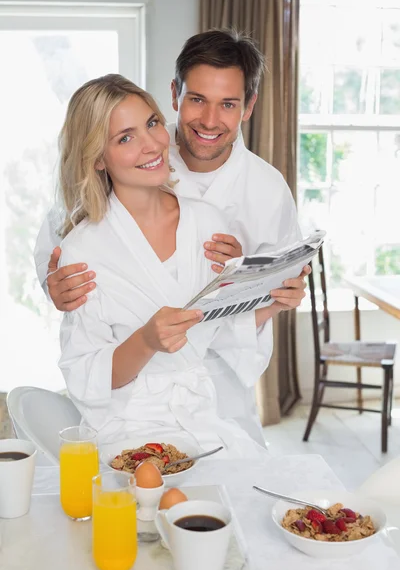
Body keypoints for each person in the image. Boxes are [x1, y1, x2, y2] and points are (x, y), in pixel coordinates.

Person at [34, 29, 307, 445]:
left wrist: (270, 293)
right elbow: (64, 239)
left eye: (228, 104)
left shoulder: (265, 192)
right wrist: (55, 285)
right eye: (197, 99)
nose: (210, 121)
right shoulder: (101, 216)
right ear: (175, 93)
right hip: (129, 406)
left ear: (248, 107)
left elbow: (261, 300)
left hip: (217, 389)